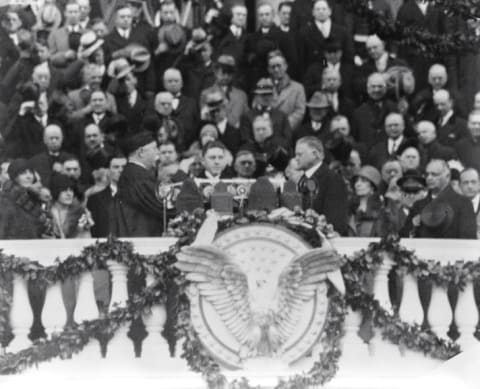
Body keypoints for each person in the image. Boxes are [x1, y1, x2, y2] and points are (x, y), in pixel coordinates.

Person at [402, 159, 476, 238]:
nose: (429, 178)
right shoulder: (419, 204)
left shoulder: (463, 204)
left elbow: (468, 240)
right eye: (427, 174)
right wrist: (412, 226)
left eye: (434, 174)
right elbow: (404, 236)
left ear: (447, 176)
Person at [112, 131, 164, 237]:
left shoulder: (133, 173)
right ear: (141, 152)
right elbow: (159, 205)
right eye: (154, 148)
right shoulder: (137, 176)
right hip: (142, 238)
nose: (158, 152)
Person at [295, 136, 348, 235]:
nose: (296, 158)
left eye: (299, 154)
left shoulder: (332, 179)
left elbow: (335, 222)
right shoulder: (304, 179)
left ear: (315, 154)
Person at [0, 159, 52, 239]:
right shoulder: (5, 200)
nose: (29, 176)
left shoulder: (32, 198)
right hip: (13, 247)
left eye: (31, 172)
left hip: (32, 245)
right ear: (14, 177)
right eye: (23, 173)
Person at [87, 153, 127, 238]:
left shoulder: (137, 196)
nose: (120, 170)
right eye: (116, 167)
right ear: (108, 171)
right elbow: (94, 230)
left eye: (124, 167)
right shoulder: (94, 199)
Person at [268, 50, 306, 131]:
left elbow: (299, 112)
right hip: (267, 130)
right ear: (269, 69)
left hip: (288, 131)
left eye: (279, 66)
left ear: (285, 66)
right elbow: (257, 107)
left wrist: (283, 126)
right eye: (273, 67)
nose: (276, 69)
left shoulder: (298, 88)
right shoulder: (263, 85)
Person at [347, 165, 386, 237]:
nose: (358, 184)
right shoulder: (349, 208)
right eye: (356, 181)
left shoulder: (381, 211)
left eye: (363, 181)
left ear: (373, 186)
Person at [459, 168, 480, 239]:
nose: (470, 186)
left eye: (473, 182)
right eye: (465, 182)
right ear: (460, 186)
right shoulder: (454, 206)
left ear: (479, 184)